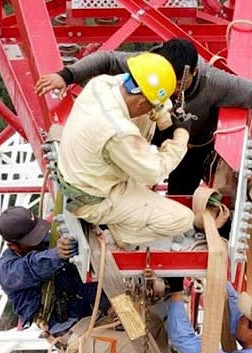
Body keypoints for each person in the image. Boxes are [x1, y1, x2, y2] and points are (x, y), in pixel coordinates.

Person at [37, 38, 252, 196]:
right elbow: (107, 60)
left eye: (177, 84)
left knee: (181, 196)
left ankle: (174, 279)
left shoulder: (214, 83)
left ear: (195, 75)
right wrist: (66, 76)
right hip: (153, 131)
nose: (168, 90)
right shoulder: (150, 65)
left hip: (191, 149)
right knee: (130, 172)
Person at [49, 51, 204, 247]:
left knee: (146, 115)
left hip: (84, 172)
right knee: (182, 219)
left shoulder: (102, 84)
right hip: (95, 199)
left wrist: (164, 119)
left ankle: (132, 175)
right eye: (151, 106)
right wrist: (180, 137)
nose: (153, 110)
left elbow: (142, 89)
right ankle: (121, 235)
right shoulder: (118, 132)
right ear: (141, 102)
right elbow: (153, 173)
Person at [0, 205, 97, 334]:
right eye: (32, 239)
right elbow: (31, 267)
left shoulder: (47, 241)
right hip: (64, 325)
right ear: (12, 245)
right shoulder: (7, 270)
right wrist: (57, 255)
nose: (38, 241)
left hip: (86, 305)